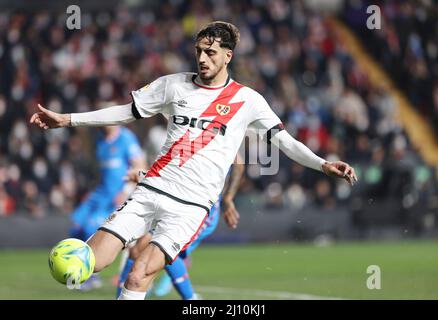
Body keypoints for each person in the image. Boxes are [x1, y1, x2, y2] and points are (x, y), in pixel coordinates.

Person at [30, 21, 357, 300]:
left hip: (190, 208)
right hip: (150, 191)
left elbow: (285, 142)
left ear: (228, 56)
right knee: (91, 262)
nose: (202, 58)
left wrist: (323, 164)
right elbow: (125, 113)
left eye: (211, 52)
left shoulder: (248, 101)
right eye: (199, 51)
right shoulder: (173, 85)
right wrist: (68, 119)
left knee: (137, 277)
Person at [116, 154, 244, 299]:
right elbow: (173, 172)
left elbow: (238, 163)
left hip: (202, 212)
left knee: (166, 250)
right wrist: (144, 176)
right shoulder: (185, 136)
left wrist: (228, 198)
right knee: (138, 250)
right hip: (175, 205)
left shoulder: (221, 136)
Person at [70, 124, 146, 290]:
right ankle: (79, 268)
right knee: (76, 226)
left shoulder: (126, 138)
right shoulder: (100, 140)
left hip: (117, 195)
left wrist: (127, 191)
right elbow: (103, 172)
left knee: (92, 227)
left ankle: (89, 274)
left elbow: (140, 165)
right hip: (100, 193)